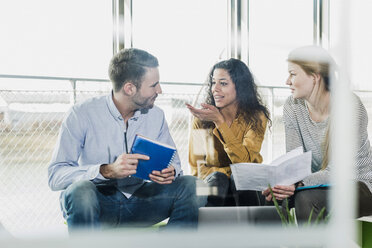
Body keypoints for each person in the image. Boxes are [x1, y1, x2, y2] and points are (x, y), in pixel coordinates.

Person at [48, 48, 205, 232]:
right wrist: (106, 171)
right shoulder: (81, 114)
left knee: (194, 186)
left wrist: (170, 172)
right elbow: (56, 176)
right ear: (130, 88)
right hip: (99, 203)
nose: (160, 90)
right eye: (154, 85)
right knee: (80, 191)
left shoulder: (156, 116)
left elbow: (175, 165)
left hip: (142, 202)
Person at [262, 46, 372, 221]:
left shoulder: (350, 107)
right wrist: (284, 183)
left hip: (360, 185)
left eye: (293, 74)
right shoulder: (293, 106)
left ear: (314, 77)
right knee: (271, 196)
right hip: (317, 184)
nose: (287, 81)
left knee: (306, 199)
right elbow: (295, 162)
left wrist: (298, 183)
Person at [187, 58, 270, 206]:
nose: (215, 89)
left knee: (241, 178)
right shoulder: (201, 121)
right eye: (213, 82)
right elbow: (198, 170)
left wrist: (220, 123)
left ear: (240, 87)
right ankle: (212, 227)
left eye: (223, 83)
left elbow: (245, 164)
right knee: (218, 179)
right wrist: (226, 174)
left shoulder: (256, 117)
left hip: (247, 188)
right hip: (214, 187)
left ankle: (250, 228)